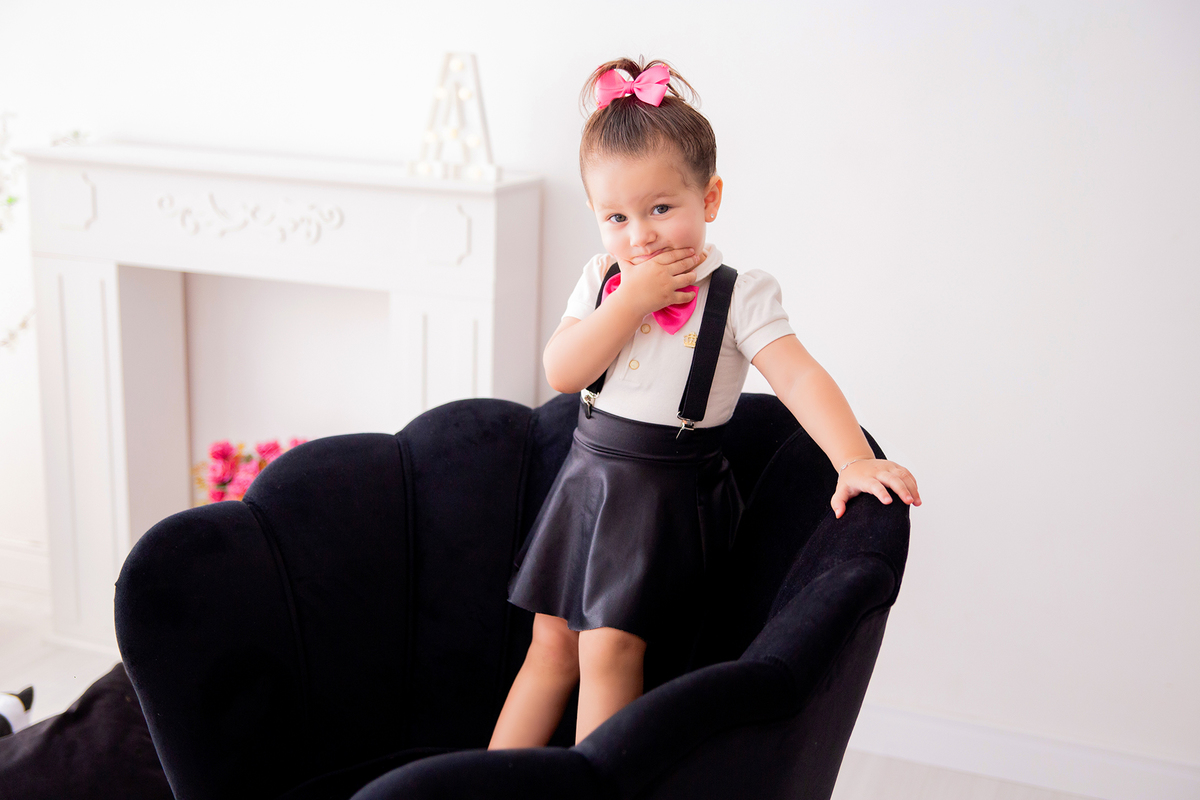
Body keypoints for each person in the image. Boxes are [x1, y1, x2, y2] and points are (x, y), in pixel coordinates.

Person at [489, 58, 921, 750]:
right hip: (588, 483)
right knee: (550, 643)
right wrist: (629, 300)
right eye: (617, 217)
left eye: (661, 208)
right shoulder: (602, 281)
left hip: (661, 496)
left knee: (609, 650)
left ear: (709, 198)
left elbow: (801, 378)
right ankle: (486, 784)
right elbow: (562, 371)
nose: (641, 236)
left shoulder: (739, 294)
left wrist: (852, 459)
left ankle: (598, 785)